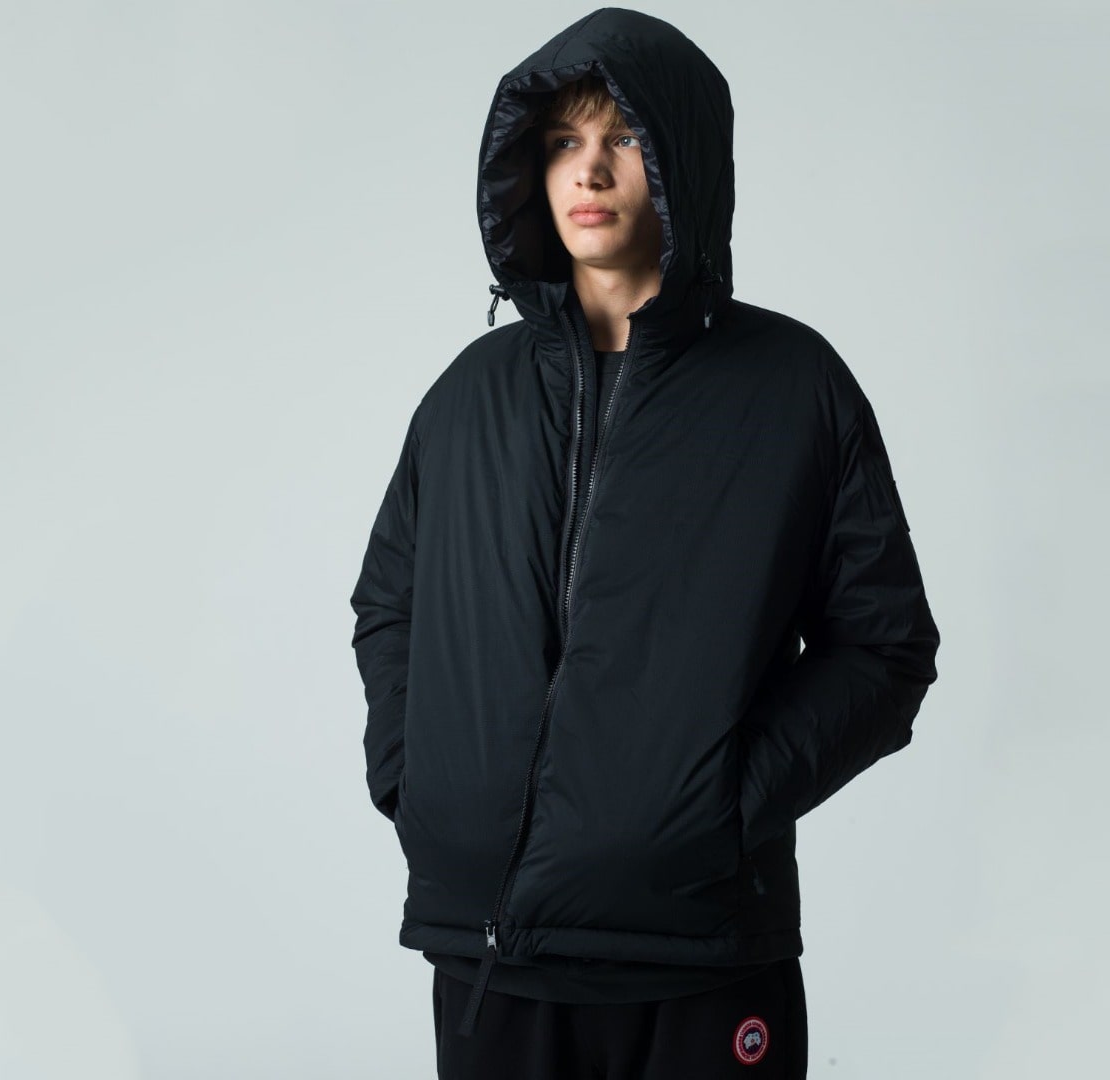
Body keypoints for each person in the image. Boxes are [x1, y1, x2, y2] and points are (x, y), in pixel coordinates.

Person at [349, 7, 940, 1077]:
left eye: (622, 137)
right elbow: (390, 604)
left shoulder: (793, 388)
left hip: (701, 960)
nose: (589, 170)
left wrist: (718, 809)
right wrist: (416, 781)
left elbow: (885, 646)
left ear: (681, 162)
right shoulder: (468, 397)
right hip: (491, 961)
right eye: (563, 141)